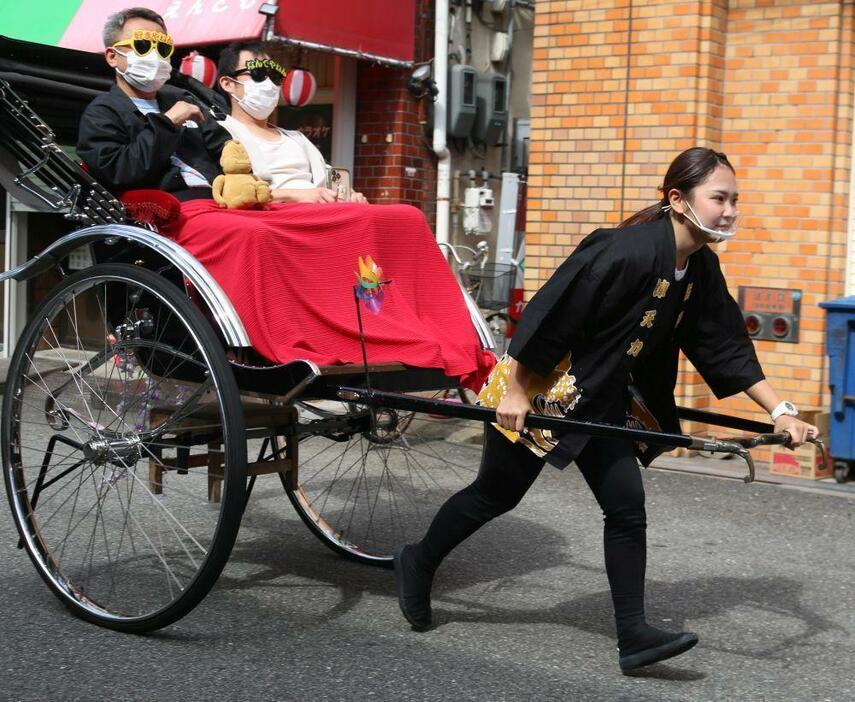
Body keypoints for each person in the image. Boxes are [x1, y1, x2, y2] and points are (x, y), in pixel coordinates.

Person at [393, 147, 819, 672]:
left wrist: (782, 410)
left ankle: (633, 635)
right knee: (494, 495)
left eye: (735, 200)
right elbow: (553, 315)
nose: (730, 210)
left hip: (604, 403)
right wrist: (518, 391)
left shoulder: (700, 268)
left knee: (625, 508)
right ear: (678, 199)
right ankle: (419, 559)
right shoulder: (625, 251)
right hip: (545, 390)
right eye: (719, 198)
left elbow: (726, 347)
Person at [77, 7, 229, 200]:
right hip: (169, 210)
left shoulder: (183, 99)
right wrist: (168, 123)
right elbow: (119, 172)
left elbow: (224, 148)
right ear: (112, 56)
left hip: (219, 199)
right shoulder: (101, 113)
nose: (155, 55)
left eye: (162, 48)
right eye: (142, 45)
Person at [215, 41, 367, 204]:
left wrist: (350, 195)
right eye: (258, 73)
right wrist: (296, 195)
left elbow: (332, 183)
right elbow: (230, 192)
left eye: (275, 76)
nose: (268, 84)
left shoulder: (296, 138)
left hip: (321, 212)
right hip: (275, 218)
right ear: (228, 83)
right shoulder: (221, 133)